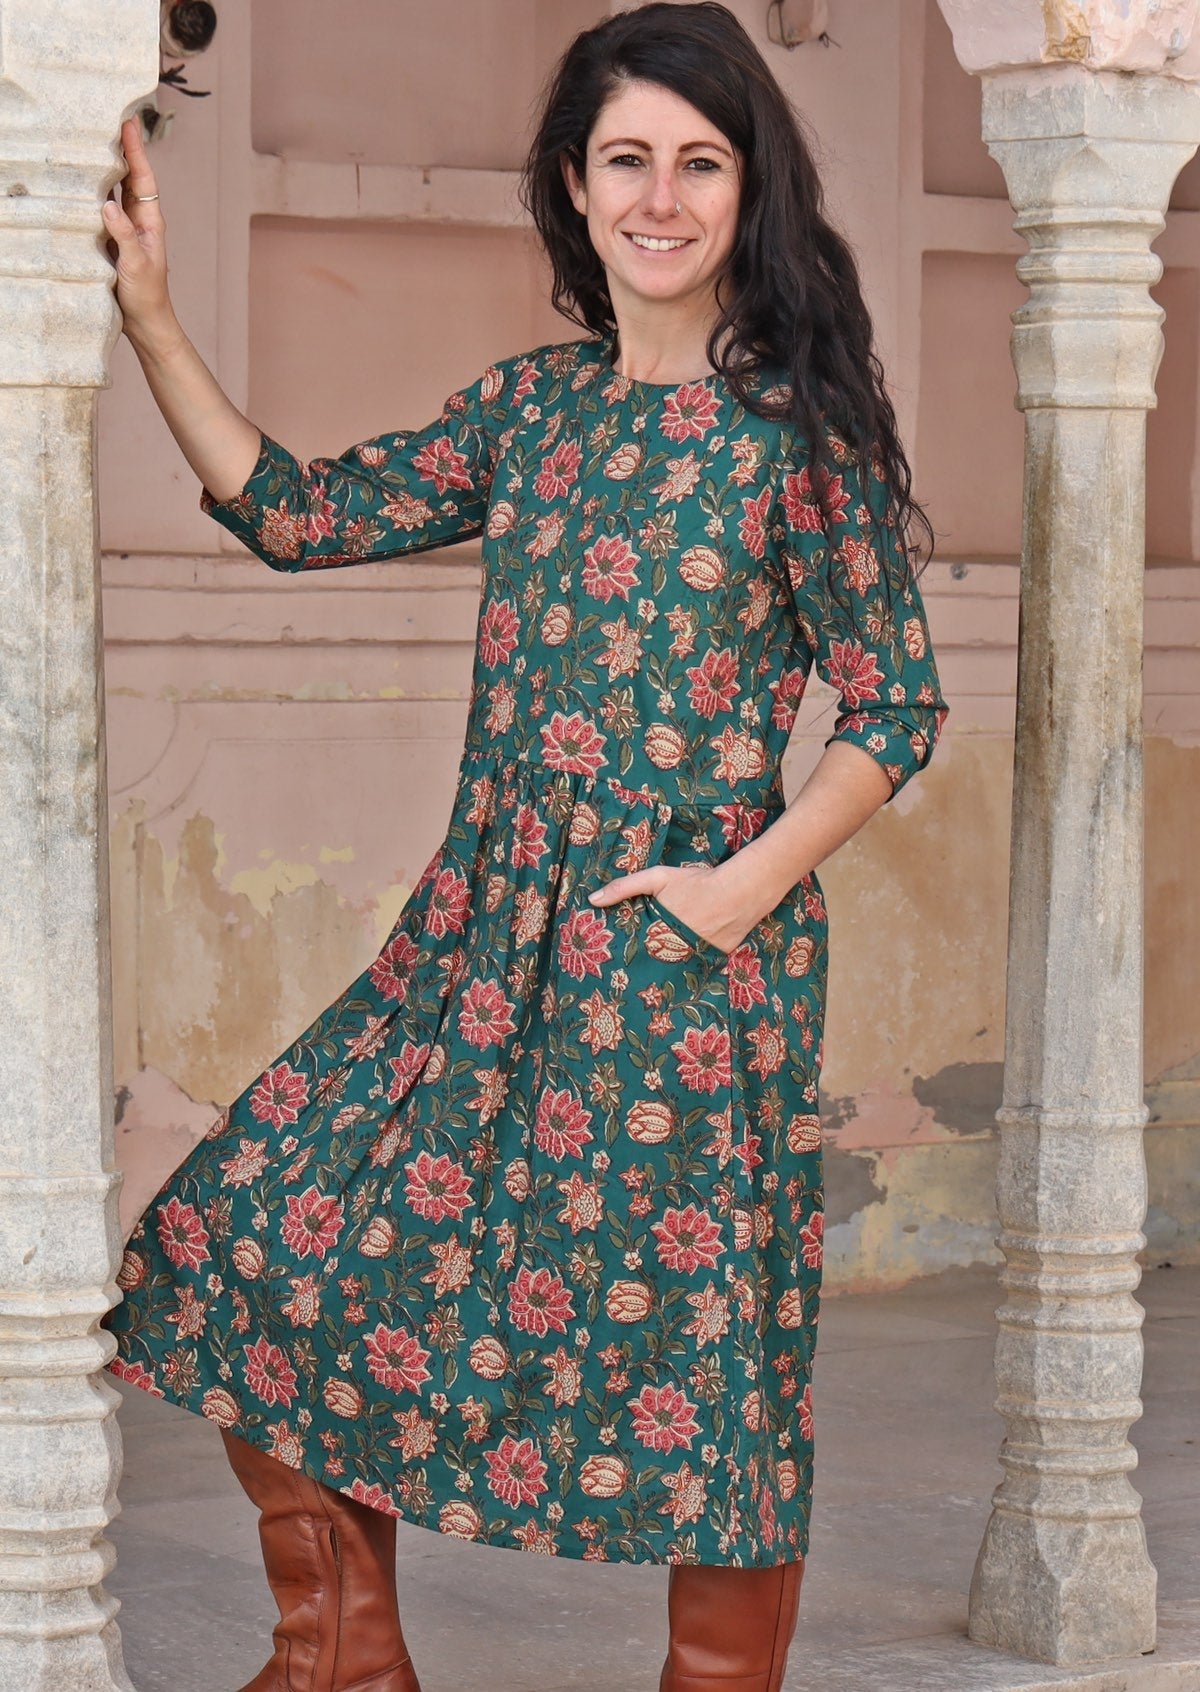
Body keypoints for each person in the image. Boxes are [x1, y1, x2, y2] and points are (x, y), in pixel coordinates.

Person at [101, 5, 948, 1689]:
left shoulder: (796, 430)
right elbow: (297, 513)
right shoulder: (536, 415)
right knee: (240, 1237)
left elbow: (893, 705)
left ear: (747, 188)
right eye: (627, 159)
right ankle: (344, 1663)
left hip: (687, 966)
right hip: (476, 948)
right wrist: (151, 316)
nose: (662, 196)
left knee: (703, 1379)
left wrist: (730, 896)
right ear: (574, 185)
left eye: (700, 163)